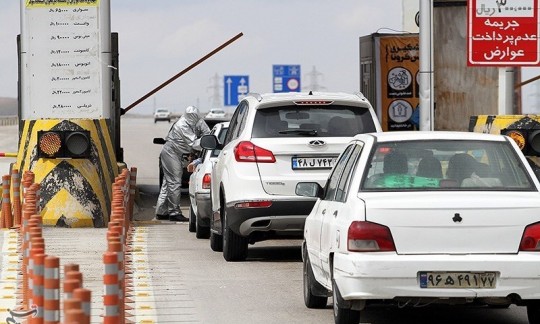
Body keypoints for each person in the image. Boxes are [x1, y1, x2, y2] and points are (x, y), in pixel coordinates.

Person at [156, 105, 210, 221]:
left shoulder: (197, 121)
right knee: (174, 182)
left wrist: (209, 138)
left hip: (178, 154)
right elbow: (194, 143)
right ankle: (174, 212)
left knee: (167, 183)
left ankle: (161, 211)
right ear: (187, 115)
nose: (194, 118)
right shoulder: (182, 124)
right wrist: (207, 143)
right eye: (192, 116)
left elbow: (208, 133)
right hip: (171, 153)